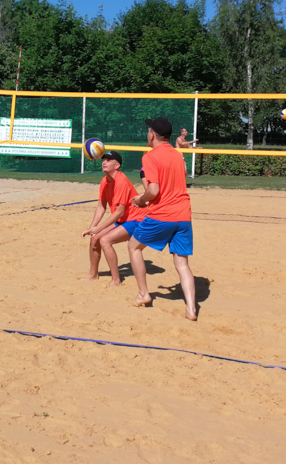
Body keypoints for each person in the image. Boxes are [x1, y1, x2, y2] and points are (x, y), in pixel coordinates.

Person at [127, 117, 198, 320]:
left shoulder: (150, 157)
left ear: (152, 135)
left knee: (134, 247)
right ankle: (191, 309)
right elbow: (180, 175)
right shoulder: (177, 155)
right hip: (184, 214)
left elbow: (153, 190)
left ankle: (143, 294)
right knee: (182, 263)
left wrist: (141, 200)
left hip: (163, 214)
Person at [80, 151, 147, 286]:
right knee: (94, 238)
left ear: (117, 165)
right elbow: (101, 207)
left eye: (109, 160)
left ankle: (116, 280)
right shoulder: (105, 181)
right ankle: (93, 274)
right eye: (104, 160)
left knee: (105, 240)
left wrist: (99, 228)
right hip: (124, 219)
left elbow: (119, 212)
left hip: (137, 219)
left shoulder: (121, 181)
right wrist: (92, 227)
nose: (104, 162)